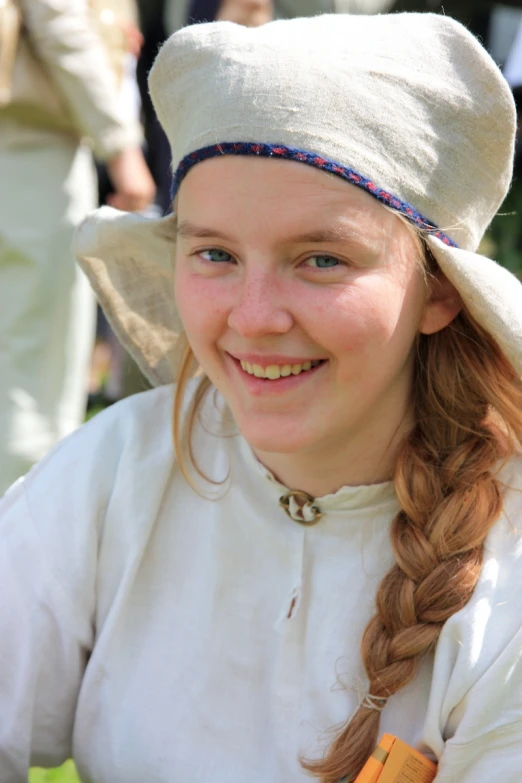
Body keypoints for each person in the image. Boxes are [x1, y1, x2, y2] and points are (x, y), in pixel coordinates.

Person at [1, 12, 522, 783]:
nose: (253, 317)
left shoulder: (505, 577)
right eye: (215, 252)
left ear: (439, 294)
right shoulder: (114, 473)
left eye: (320, 258)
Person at [0, 0, 155, 495]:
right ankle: (29, 513)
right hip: (28, 150)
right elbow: (60, 20)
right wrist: (121, 144)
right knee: (37, 358)